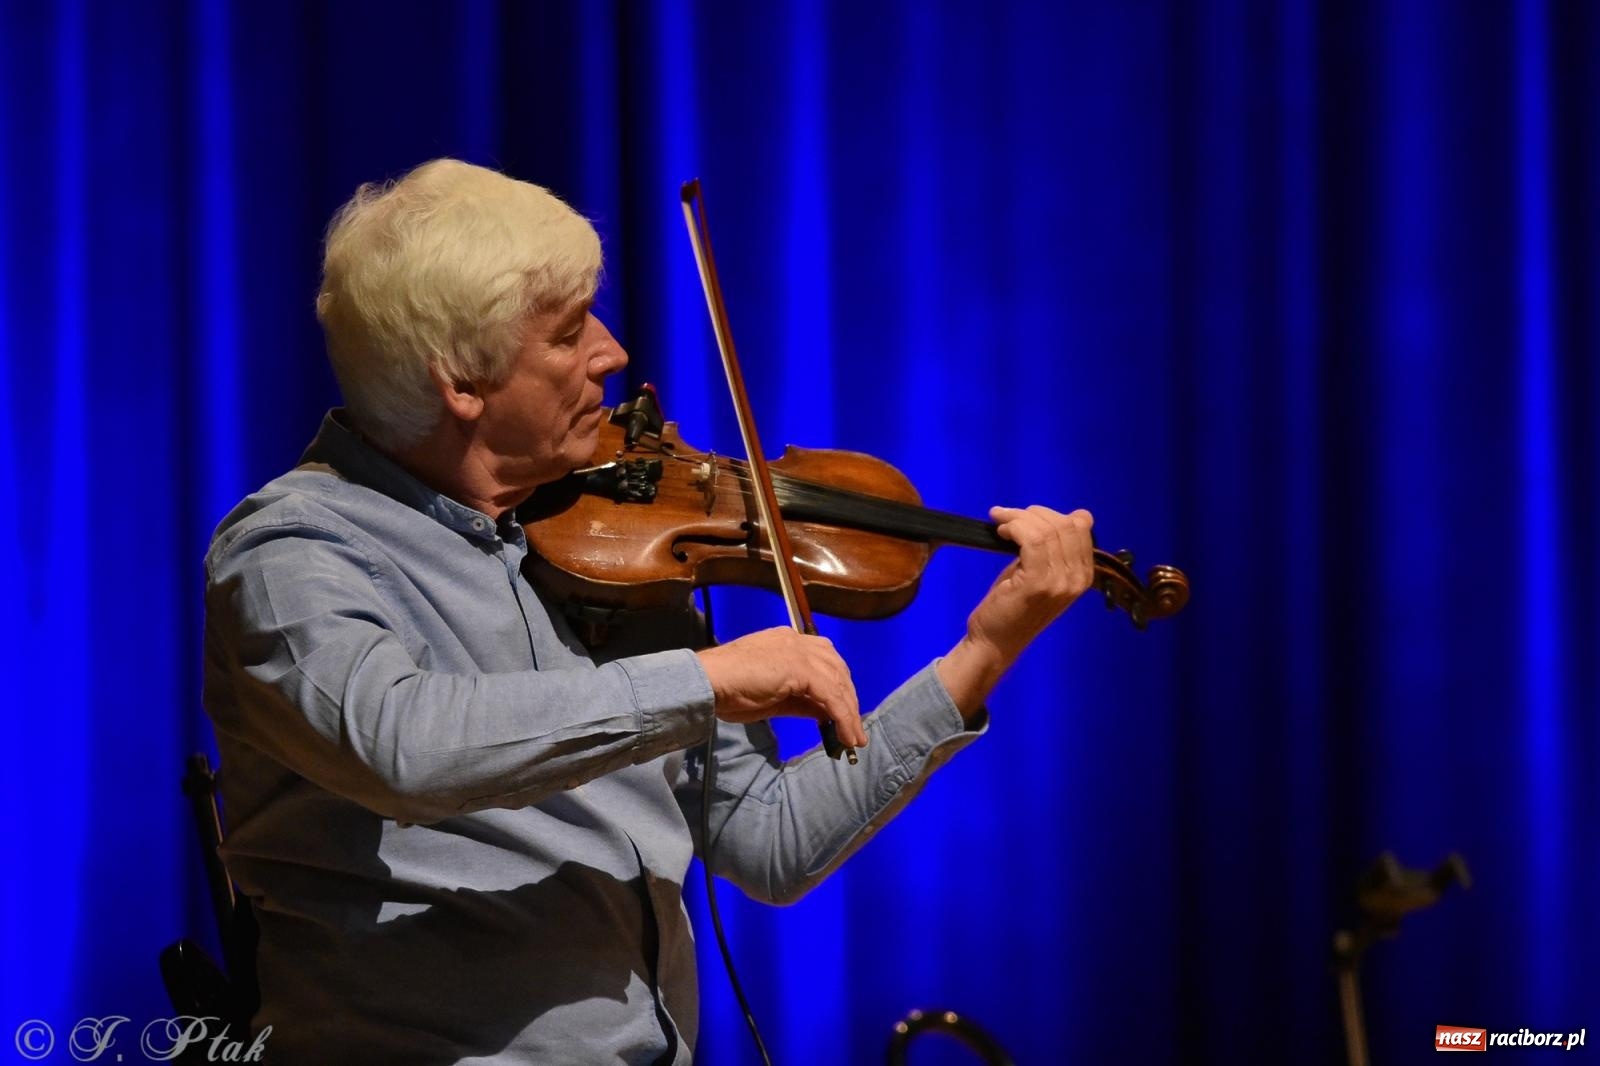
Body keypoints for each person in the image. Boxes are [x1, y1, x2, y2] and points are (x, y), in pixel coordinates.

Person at [203, 158, 1095, 1064]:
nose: (613, 351)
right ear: (461, 384)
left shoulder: (612, 548)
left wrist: (987, 646)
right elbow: (399, 745)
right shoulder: (298, 549)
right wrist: (704, 680)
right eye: (565, 333)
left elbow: (771, 840)